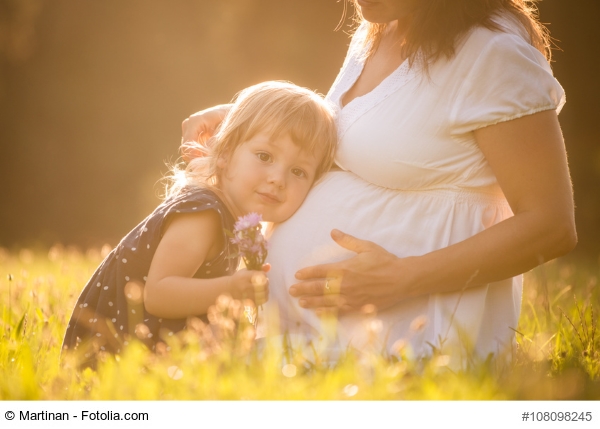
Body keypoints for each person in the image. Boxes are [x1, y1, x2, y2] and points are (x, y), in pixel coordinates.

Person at [181, 1, 576, 365]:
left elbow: (550, 225)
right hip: (305, 340)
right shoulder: (381, 26)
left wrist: (401, 278)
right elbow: (369, 129)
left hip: (411, 343)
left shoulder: (493, 54)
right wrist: (249, 117)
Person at [62, 81, 337, 364]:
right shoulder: (204, 215)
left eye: (298, 171)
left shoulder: (227, 216)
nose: (278, 178)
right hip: (112, 356)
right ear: (225, 154)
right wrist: (230, 289)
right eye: (265, 156)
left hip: (153, 349)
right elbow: (158, 294)